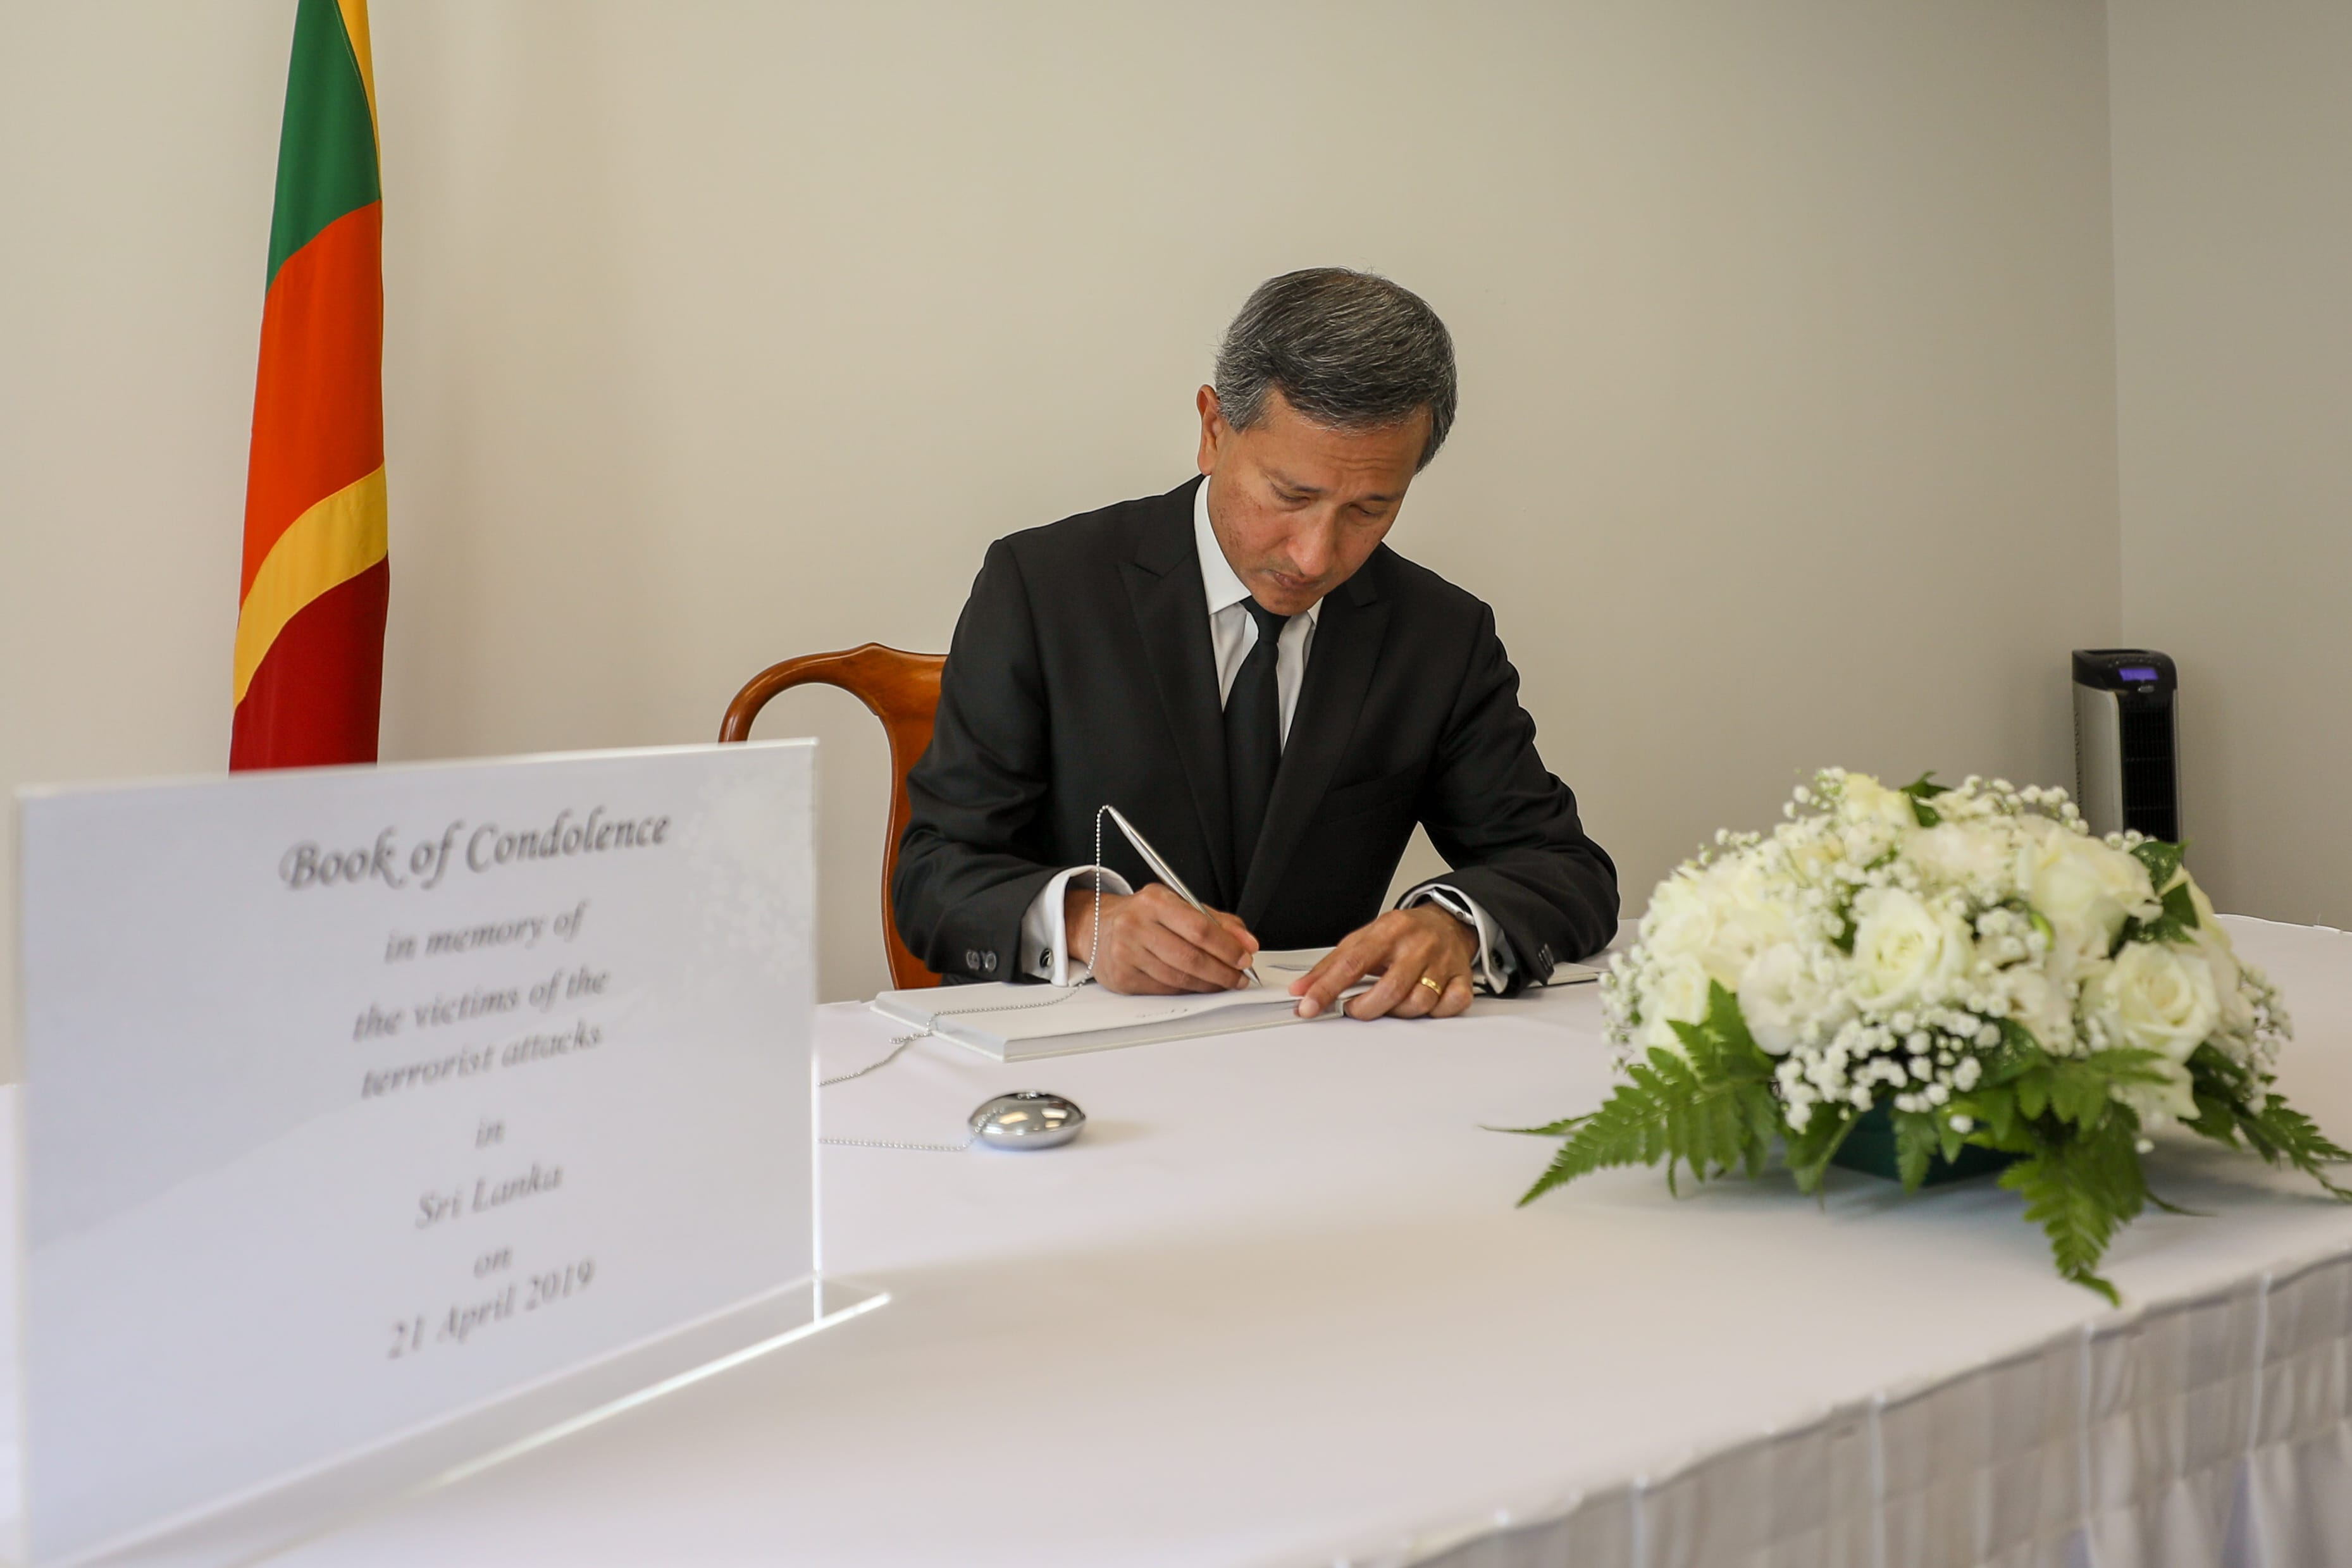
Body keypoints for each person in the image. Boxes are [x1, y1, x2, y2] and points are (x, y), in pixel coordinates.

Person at [893, 268, 1616, 1021]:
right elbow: (934, 876)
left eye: (1371, 509)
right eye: (1291, 496)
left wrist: (1455, 925)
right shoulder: (1043, 587)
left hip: (1317, 1059)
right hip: (1075, 1053)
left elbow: (1565, 869)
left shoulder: (1438, 634)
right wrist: (1085, 923)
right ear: (1213, 430)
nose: (1314, 556)